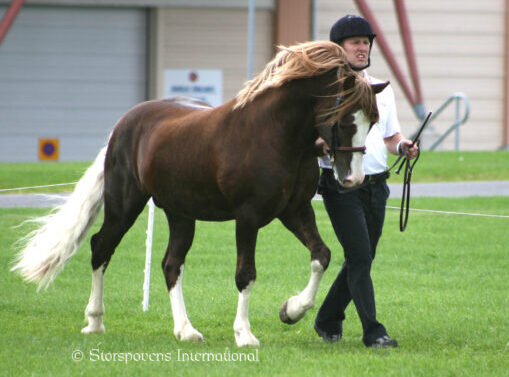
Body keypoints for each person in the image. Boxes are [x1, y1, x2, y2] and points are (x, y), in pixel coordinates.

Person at [314, 14, 418, 348]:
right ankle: (373, 331)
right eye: (355, 42)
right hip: (341, 184)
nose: (363, 48)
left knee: (363, 257)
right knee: (359, 255)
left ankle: (327, 318)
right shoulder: (325, 91)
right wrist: (320, 145)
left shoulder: (382, 90)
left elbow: (390, 137)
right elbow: (308, 139)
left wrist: (403, 146)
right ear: (339, 48)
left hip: (377, 185)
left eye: (366, 42)